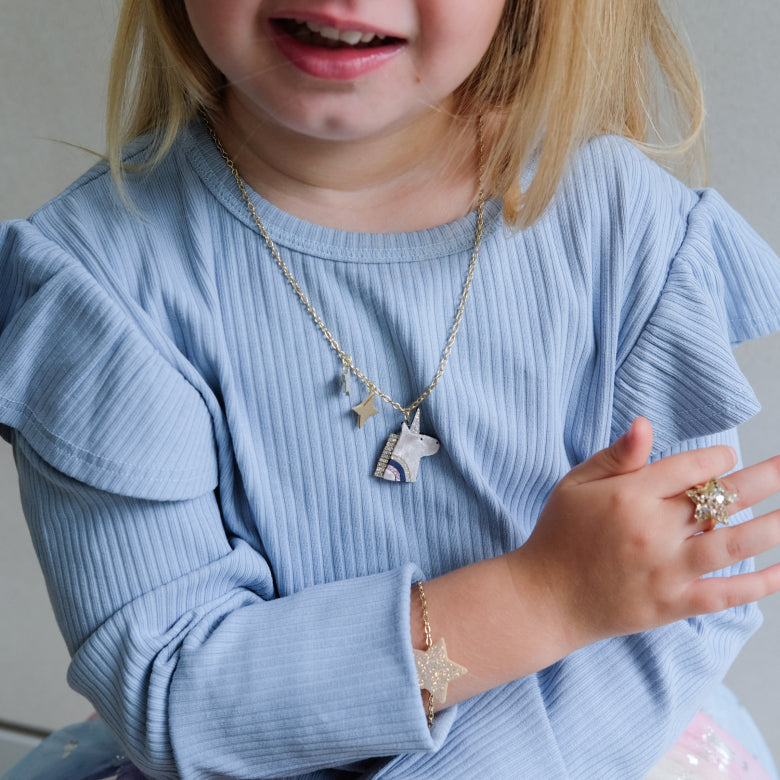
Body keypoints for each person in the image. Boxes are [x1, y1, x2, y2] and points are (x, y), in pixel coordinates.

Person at [2, 0, 780, 778]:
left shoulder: (621, 226)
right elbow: (171, 686)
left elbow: (693, 583)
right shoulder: (98, 288)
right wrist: (541, 599)